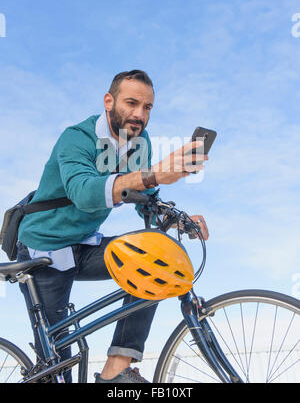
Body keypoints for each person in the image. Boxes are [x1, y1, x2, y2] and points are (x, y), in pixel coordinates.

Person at [17, 70, 209, 383]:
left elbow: (145, 198)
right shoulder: (77, 138)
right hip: (45, 248)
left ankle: (116, 368)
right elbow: (83, 191)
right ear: (109, 101)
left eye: (147, 107)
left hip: (84, 243)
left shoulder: (139, 142)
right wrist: (154, 174)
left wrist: (178, 220)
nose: (139, 114)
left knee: (156, 253)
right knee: (56, 368)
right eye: (131, 103)